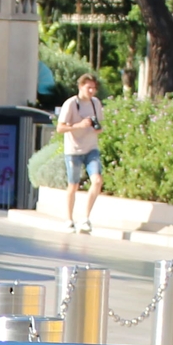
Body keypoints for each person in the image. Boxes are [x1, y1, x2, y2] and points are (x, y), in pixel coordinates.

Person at [57, 73, 106, 234]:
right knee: (73, 185)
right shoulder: (71, 104)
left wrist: (97, 128)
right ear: (80, 87)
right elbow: (60, 128)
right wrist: (78, 126)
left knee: (97, 180)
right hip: (73, 150)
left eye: (94, 88)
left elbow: (100, 126)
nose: (91, 91)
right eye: (88, 87)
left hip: (91, 148)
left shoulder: (95, 103)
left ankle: (85, 218)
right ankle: (69, 219)